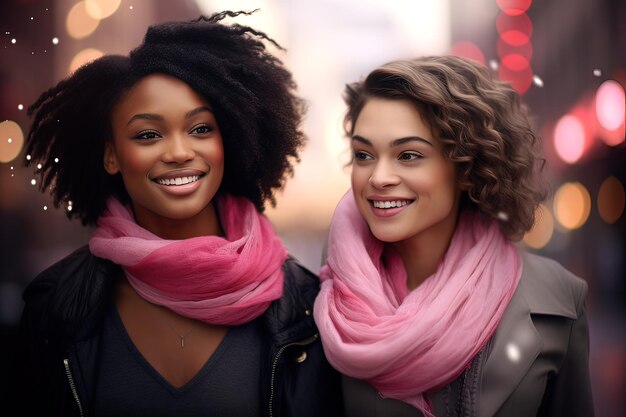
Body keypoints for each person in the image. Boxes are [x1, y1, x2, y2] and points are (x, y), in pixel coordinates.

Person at [7, 11, 341, 416]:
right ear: (112, 156)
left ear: (229, 139)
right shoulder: (54, 305)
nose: (180, 152)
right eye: (148, 134)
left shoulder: (305, 305)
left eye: (201, 129)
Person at [314, 55, 594, 417]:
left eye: (409, 155)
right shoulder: (320, 307)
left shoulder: (558, 300)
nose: (378, 177)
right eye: (364, 154)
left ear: (466, 166)